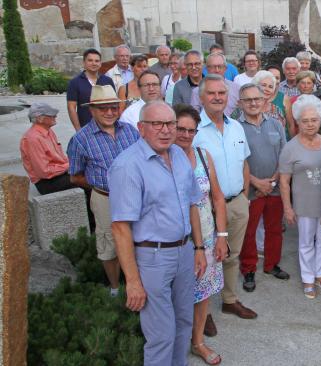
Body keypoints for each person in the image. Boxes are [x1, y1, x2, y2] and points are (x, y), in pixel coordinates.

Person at [108, 101, 205, 366]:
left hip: (185, 252)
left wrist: (198, 248)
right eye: (157, 124)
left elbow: (192, 204)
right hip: (153, 258)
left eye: (170, 123)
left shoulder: (179, 156)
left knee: (184, 321)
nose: (166, 130)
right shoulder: (127, 166)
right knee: (161, 334)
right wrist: (133, 281)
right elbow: (120, 227)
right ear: (141, 128)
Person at [192, 74, 258, 319]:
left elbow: (244, 162)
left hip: (237, 203)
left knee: (232, 255)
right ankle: (203, 313)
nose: (217, 97)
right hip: (207, 208)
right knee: (206, 258)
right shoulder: (194, 130)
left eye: (222, 93)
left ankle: (230, 300)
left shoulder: (236, 126)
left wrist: (243, 195)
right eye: (211, 93)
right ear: (201, 97)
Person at [67, 84, 140, 295]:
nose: (109, 112)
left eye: (113, 107)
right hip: (105, 198)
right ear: (92, 110)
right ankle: (115, 288)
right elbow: (75, 175)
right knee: (109, 244)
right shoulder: (81, 139)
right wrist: (100, 186)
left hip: (134, 195)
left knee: (137, 237)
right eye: (103, 108)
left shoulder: (130, 131)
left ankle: (136, 282)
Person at [173, 104, 227, 364]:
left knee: (202, 293)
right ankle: (174, 344)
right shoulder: (164, 158)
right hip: (177, 240)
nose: (185, 135)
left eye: (190, 130)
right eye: (180, 129)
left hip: (206, 236)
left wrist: (222, 236)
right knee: (177, 295)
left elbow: (217, 197)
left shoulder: (204, 157)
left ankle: (197, 342)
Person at [279, 95, 321, 299]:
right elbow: (284, 181)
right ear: (298, 122)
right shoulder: (290, 148)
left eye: (314, 120)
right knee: (306, 242)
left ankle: (320, 275)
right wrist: (287, 208)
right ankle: (308, 279)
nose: (310, 124)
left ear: (320, 121)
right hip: (303, 204)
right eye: (305, 121)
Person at [237, 83, 290, 292]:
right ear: (240, 103)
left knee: (275, 229)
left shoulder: (276, 124)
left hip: (274, 188)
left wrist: (272, 182)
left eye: (256, 99)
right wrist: (256, 183)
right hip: (250, 190)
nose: (253, 103)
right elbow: (235, 162)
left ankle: (271, 264)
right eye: (248, 100)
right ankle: (249, 269)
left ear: (264, 101)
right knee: (248, 232)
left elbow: (284, 156)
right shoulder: (235, 127)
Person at [20, 103, 73, 194]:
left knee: (92, 172)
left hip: (59, 173)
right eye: (51, 115)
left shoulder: (48, 131)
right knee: (86, 181)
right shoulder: (32, 139)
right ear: (40, 119)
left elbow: (60, 157)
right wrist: (69, 165)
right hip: (46, 182)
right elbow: (44, 172)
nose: (55, 116)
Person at [66, 49, 115, 130]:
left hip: (107, 126)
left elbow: (114, 104)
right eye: (90, 60)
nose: (94, 63)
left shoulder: (107, 80)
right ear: (84, 62)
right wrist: (78, 129)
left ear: (100, 63)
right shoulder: (75, 82)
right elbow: (71, 107)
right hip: (86, 127)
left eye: (97, 61)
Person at [285, 70, 318, 136]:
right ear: (298, 85)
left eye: (309, 83)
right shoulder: (291, 101)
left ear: (313, 85)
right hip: (298, 137)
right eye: (303, 83)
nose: (306, 86)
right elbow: (290, 125)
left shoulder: (318, 100)